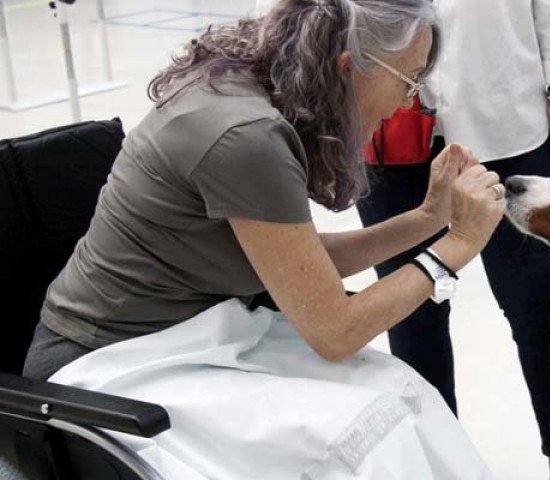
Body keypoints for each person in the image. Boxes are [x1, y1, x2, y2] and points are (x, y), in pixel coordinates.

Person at [22, 0, 505, 477]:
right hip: (112, 362)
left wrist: (427, 219)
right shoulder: (246, 135)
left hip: (194, 332)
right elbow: (335, 332)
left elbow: (302, 265)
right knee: (364, 432)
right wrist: (457, 245)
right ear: (348, 66)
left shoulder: (256, 89)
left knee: (403, 392)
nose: (409, 101)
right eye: (408, 79)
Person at [354, 1, 550, 479]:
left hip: (502, 113)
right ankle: (436, 461)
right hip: (383, 120)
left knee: (539, 307)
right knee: (409, 307)